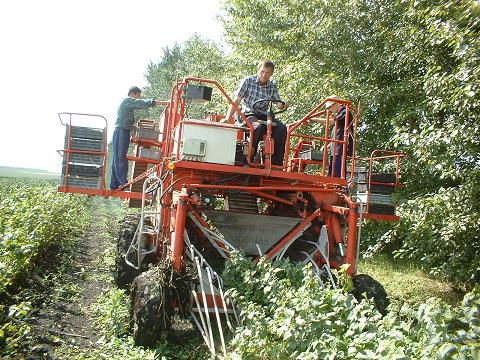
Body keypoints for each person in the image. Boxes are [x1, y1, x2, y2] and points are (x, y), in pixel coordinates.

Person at [224, 60, 288, 166]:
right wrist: (227, 118)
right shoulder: (248, 81)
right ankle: (248, 160)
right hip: (248, 114)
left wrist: (284, 104)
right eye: (262, 71)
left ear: (271, 74)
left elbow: (278, 103)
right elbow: (236, 100)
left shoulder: (272, 85)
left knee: (282, 129)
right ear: (258, 70)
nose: (264, 75)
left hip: (264, 116)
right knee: (258, 127)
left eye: (267, 73)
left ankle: (275, 162)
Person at [110, 86, 160, 190]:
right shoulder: (127, 101)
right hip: (121, 132)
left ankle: (114, 184)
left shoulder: (126, 104)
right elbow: (139, 104)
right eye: (138, 95)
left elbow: (124, 120)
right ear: (134, 94)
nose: (138, 98)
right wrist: (153, 102)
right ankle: (122, 184)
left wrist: (133, 127)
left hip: (123, 131)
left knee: (118, 158)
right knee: (120, 158)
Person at [326, 98, 355, 178]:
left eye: (330, 107)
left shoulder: (345, 112)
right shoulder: (339, 115)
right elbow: (338, 132)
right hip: (335, 149)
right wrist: (328, 145)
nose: (330, 110)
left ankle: (338, 187)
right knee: (332, 173)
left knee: (337, 174)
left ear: (336, 103)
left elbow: (332, 122)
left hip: (340, 149)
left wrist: (313, 119)